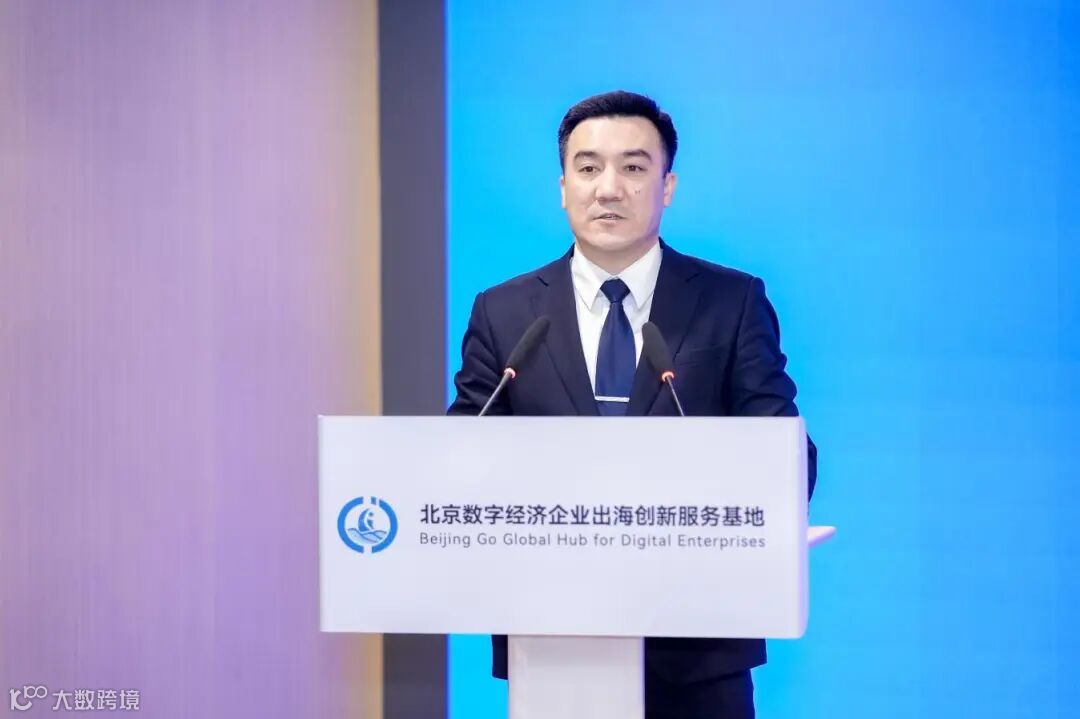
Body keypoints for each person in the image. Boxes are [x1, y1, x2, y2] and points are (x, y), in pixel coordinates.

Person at [447, 90, 817, 719]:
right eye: (588, 168)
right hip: (552, 641)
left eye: (634, 167)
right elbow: (462, 454)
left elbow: (786, 456)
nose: (608, 189)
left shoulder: (730, 302)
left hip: (699, 650)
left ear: (666, 185)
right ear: (563, 186)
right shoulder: (503, 311)